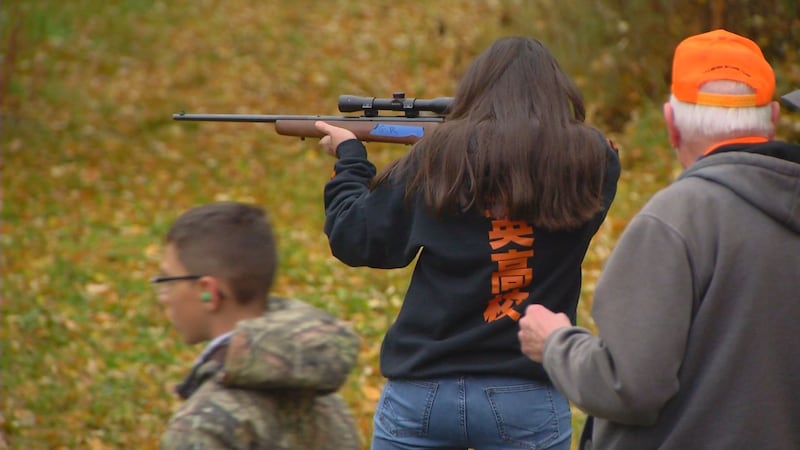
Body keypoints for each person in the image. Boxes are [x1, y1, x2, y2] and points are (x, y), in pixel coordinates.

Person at [315, 36, 621, 450]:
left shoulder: (438, 157)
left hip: (423, 390)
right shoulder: (591, 162)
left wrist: (351, 161)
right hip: (526, 393)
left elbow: (356, 237)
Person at [518, 29, 800, 450]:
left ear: (671, 124)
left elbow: (629, 386)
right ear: (772, 120)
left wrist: (556, 342)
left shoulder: (673, 222)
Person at [154, 201, 361, 450]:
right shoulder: (324, 399)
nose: (163, 296)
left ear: (208, 291)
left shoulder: (202, 426)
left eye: (168, 281)